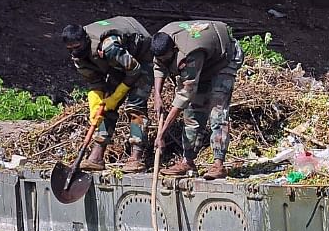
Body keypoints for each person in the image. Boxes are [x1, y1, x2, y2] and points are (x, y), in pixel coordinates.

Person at [151, 20, 244, 180]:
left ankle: (218, 164)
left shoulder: (190, 53)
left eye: (167, 59)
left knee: (217, 112)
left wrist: (162, 133)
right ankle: (188, 161)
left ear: (173, 49)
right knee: (192, 114)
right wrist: (157, 95)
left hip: (224, 60)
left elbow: (184, 95)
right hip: (205, 64)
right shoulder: (161, 41)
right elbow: (158, 65)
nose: (164, 61)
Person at [61, 16, 153, 172]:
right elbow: (95, 81)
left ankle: (136, 158)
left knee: (135, 106)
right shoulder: (78, 58)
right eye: (70, 49)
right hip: (118, 64)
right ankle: (96, 157)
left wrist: (118, 95)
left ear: (85, 40)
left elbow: (134, 69)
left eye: (77, 47)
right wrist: (96, 102)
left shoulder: (109, 46)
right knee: (105, 108)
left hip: (142, 58)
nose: (74, 52)